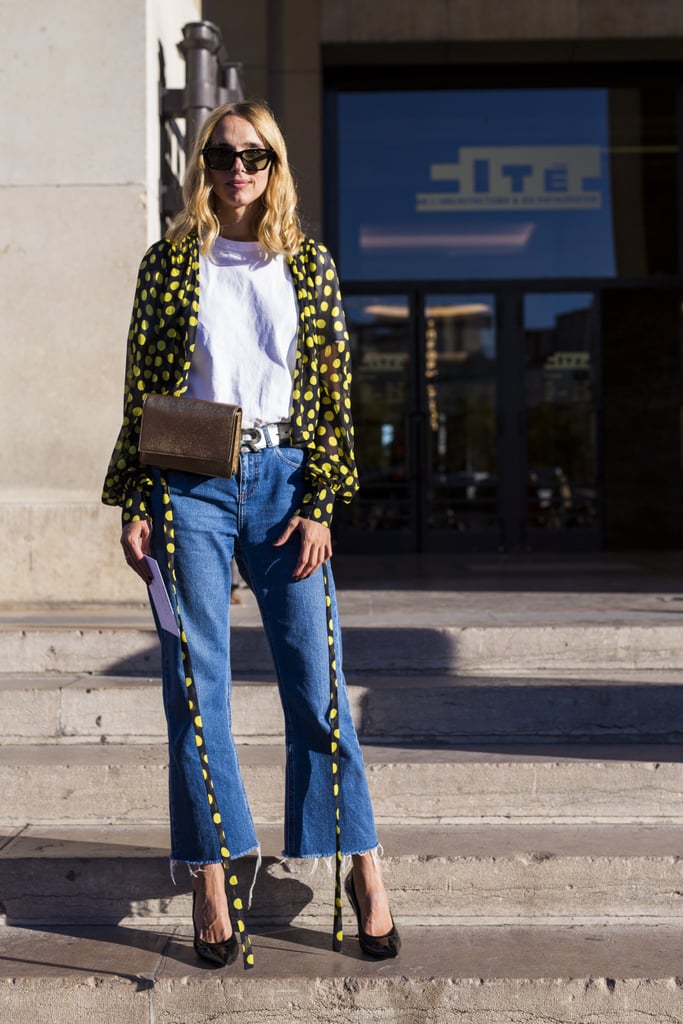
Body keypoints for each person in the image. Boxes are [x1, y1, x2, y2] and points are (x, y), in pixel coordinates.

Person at [102, 99, 400, 968]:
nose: (240, 169)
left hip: (283, 485)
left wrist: (323, 500)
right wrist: (134, 498)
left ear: (276, 167)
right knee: (197, 692)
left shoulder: (307, 265)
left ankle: (362, 862)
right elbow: (140, 388)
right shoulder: (168, 264)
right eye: (224, 154)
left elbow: (335, 394)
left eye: (256, 155)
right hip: (187, 483)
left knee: (317, 682)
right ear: (205, 165)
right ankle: (209, 873)